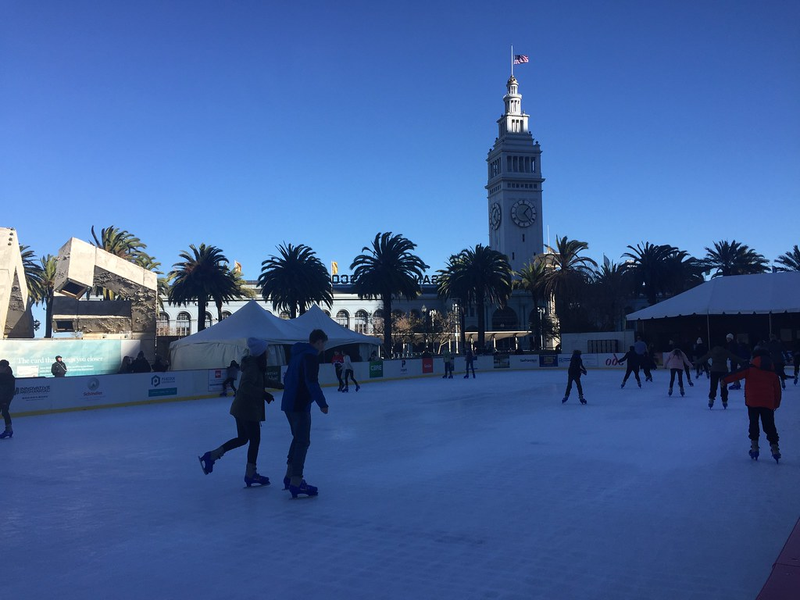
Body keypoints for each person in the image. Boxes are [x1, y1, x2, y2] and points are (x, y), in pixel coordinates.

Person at [198, 338, 283, 487]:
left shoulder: (256, 365)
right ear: (261, 352)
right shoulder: (252, 367)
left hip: (241, 408)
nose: (268, 352)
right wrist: (263, 394)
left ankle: (212, 456)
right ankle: (251, 474)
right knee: (254, 440)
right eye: (266, 350)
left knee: (243, 439)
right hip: (247, 409)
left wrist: (283, 386)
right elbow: (245, 387)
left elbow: (264, 381)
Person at [281, 329, 329, 498]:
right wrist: (322, 403)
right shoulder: (310, 356)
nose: (324, 347)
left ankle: (289, 475)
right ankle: (296, 481)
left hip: (289, 403)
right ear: (318, 342)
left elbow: (287, 378)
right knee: (303, 441)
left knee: (297, 438)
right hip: (299, 404)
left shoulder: (297, 354)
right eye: (324, 343)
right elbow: (311, 381)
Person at [722, 348, 782, 462]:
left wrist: (724, 380)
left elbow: (736, 374)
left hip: (753, 401)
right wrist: (776, 403)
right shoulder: (772, 372)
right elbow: (777, 390)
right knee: (769, 425)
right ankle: (775, 448)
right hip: (767, 402)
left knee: (753, 423)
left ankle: (754, 447)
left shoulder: (750, 368)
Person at [695, 339, 742, 409]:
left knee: (713, 386)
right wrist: (743, 361)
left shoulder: (712, 351)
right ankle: (724, 400)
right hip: (723, 371)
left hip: (714, 370)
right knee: (724, 386)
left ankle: (711, 399)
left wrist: (697, 362)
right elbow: (734, 357)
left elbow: (704, 358)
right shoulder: (725, 351)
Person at [0, 359, 15, 439]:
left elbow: (10, 390)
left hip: (5, 398)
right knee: (4, 412)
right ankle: (9, 430)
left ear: (4, 367)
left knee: (5, 412)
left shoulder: (9, 377)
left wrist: (6, 400)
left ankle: (9, 430)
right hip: (2, 397)